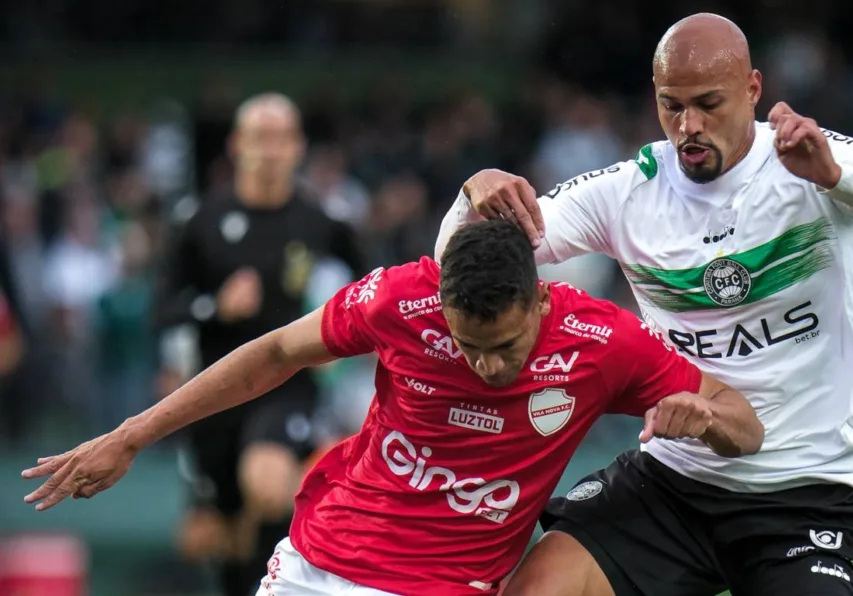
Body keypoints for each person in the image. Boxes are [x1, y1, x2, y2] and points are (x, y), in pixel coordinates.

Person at [436, 13, 853, 596]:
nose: (688, 125)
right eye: (671, 106)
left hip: (806, 489)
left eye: (708, 104)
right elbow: (460, 262)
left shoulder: (811, 160)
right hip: (672, 482)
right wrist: (472, 195)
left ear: (753, 89)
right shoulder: (628, 191)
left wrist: (838, 177)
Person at [23, 220, 763, 596]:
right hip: (317, 563)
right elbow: (276, 353)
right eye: (468, 345)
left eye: (504, 346)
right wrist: (131, 435)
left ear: (540, 299)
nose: (486, 365)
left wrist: (707, 419)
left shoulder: (604, 343)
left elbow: (745, 424)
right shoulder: (402, 298)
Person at [154, 92, 366, 595]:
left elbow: (375, 288)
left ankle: (327, 462)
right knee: (219, 543)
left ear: (298, 147)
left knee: (269, 483)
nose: (271, 150)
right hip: (215, 390)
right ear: (236, 145)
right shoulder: (199, 220)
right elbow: (162, 311)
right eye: (259, 138)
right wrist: (216, 306)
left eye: (281, 139)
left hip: (288, 384)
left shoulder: (323, 222)